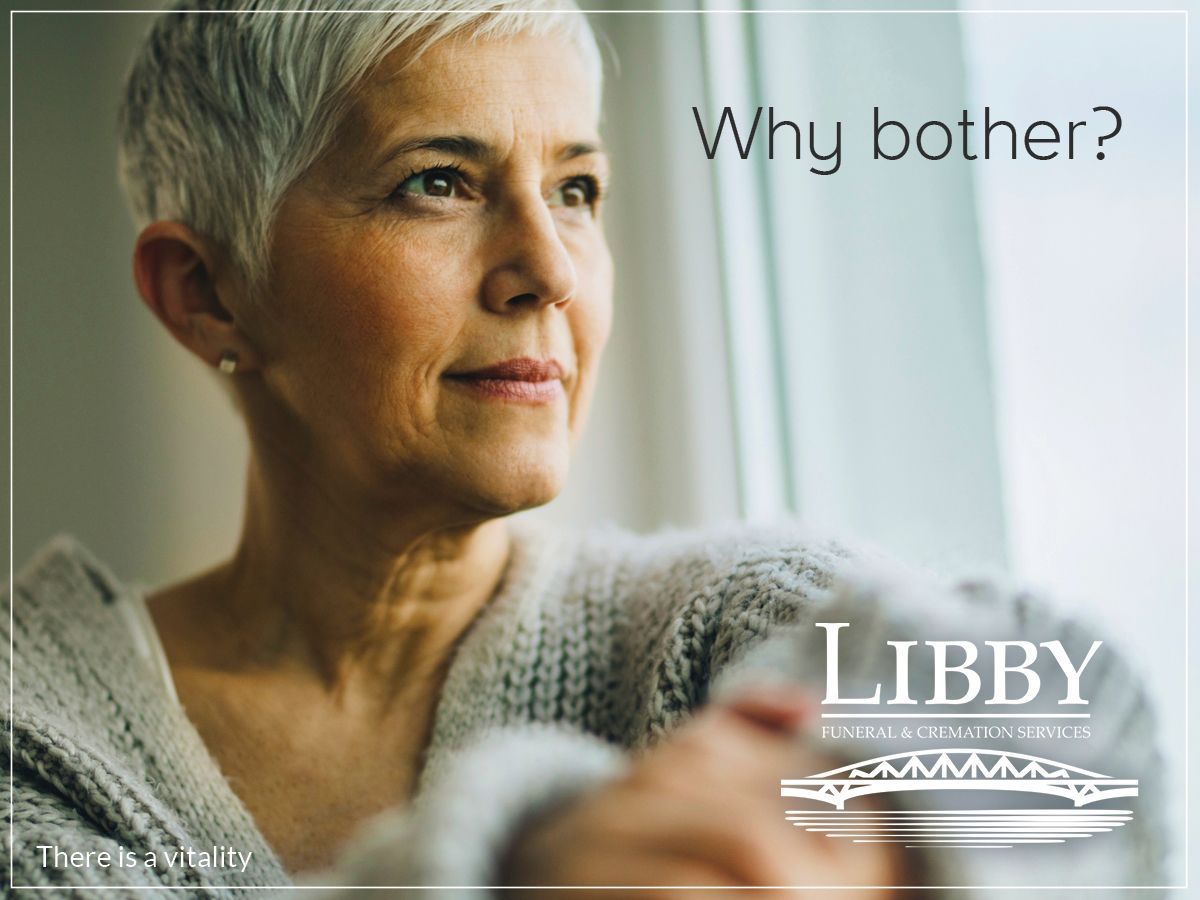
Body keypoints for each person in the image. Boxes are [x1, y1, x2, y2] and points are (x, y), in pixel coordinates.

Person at [4, 1, 1166, 896]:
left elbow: (1084, 731)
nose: (550, 269)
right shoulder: (35, 742)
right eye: (439, 183)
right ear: (206, 293)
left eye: (577, 187)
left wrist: (884, 821)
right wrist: (527, 856)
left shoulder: (717, 632)